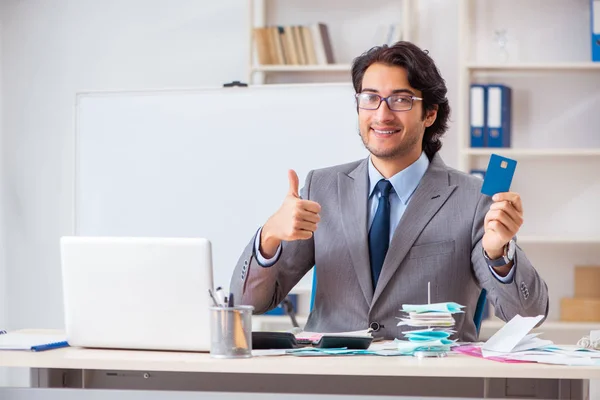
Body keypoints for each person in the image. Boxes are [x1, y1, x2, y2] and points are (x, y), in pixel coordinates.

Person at [230, 41, 549, 341]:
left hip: (429, 381)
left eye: (400, 99)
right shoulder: (321, 188)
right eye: (370, 98)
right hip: (332, 377)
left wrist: (499, 255)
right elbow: (245, 304)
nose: (382, 114)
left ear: (430, 113)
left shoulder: (473, 199)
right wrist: (270, 234)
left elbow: (529, 315)